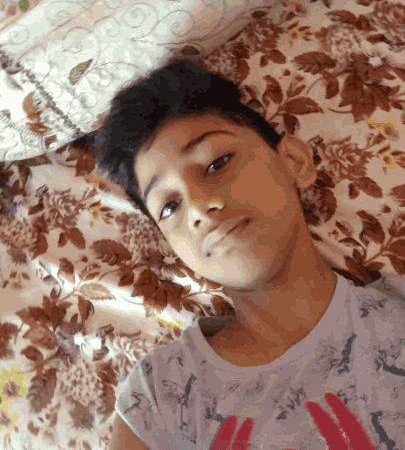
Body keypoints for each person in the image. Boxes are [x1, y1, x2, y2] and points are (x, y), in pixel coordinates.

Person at [92, 61, 403, 450]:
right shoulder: (162, 396)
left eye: (216, 163)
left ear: (294, 162)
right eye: (170, 206)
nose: (199, 206)